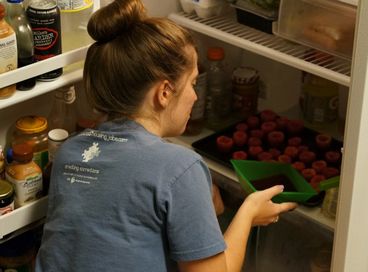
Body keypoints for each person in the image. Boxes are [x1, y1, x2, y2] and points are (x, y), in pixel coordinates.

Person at [35, 0, 298, 271]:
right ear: (164, 92)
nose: (195, 96)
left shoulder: (71, 151)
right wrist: (248, 213)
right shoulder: (181, 167)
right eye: (193, 83)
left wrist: (193, 197)